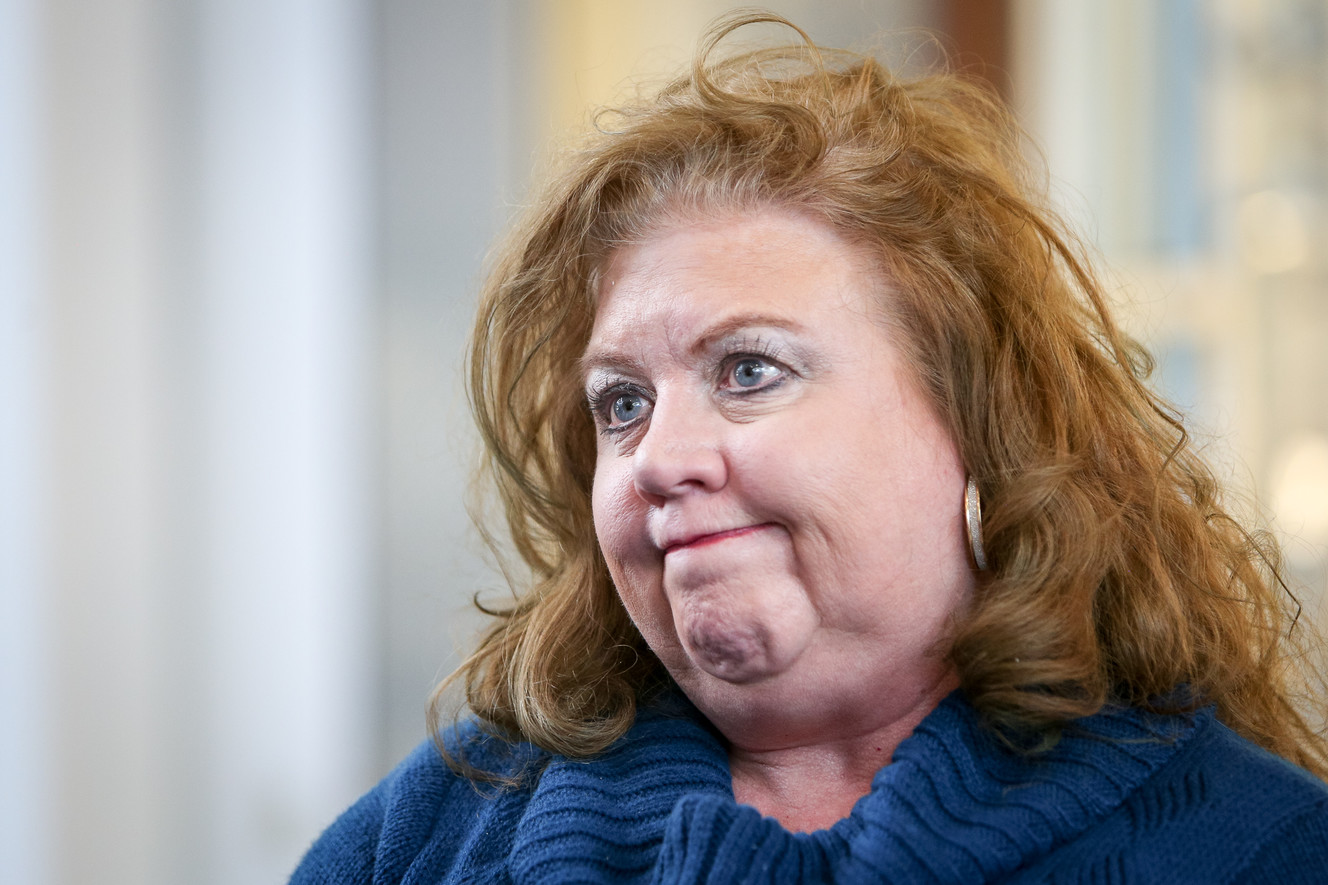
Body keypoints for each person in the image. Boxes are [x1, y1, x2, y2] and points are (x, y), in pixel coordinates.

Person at [292, 12, 1328, 883]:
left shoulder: (1259, 846)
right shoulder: (425, 838)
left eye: (746, 371)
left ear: (977, 426)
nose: (657, 457)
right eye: (620, 404)